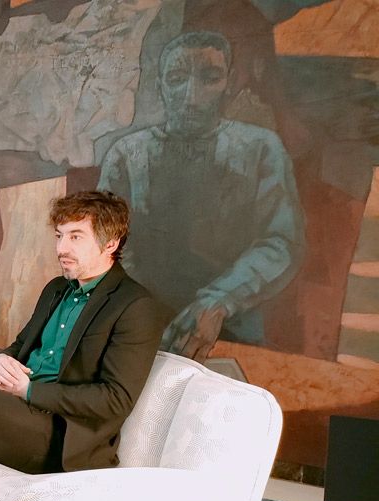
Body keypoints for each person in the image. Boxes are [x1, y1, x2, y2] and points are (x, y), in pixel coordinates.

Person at [0, 190, 165, 474]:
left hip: (59, 438)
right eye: (59, 236)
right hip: (14, 415)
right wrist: (0, 360)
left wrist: (29, 390)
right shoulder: (56, 289)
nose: (62, 248)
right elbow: (19, 346)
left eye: (75, 237)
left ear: (110, 243)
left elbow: (115, 399)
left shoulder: (135, 306)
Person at [98, 30, 305, 361]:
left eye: (210, 78)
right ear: (159, 85)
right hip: (139, 326)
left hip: (233, 327)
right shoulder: (128, 154)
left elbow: (281, 242)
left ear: (229, 83)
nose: (191, 96)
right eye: (177, 78)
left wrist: (218, 302)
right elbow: (107, 245)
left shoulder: (261, 148)